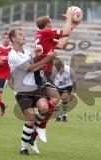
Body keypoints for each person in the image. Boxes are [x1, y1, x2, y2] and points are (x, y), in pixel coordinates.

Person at [8, 27, 57, 156]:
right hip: (22, 91)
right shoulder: (12, 55)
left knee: (45, 108)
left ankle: (32, 132)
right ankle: (23, 148)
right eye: (20, 35)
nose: (23, 36)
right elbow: (29, 68)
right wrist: (48, 58)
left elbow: (35, 61)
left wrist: (38, 55)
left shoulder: (28, 50)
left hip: (34, 88)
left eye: (23, 34)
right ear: (13, 39)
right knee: (31, 118)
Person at [32, 7, 78, 142]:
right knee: (54, 99)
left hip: (44, 72)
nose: (51, 24)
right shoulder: (46, 32)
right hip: (42, 71)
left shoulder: (43, 35)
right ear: (47, 24)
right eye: (50, 22)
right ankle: (39, 125)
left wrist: (72, 27)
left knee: (51, 102)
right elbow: (65, 31)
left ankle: (36, 130)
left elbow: (62, 44)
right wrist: (69, 18)